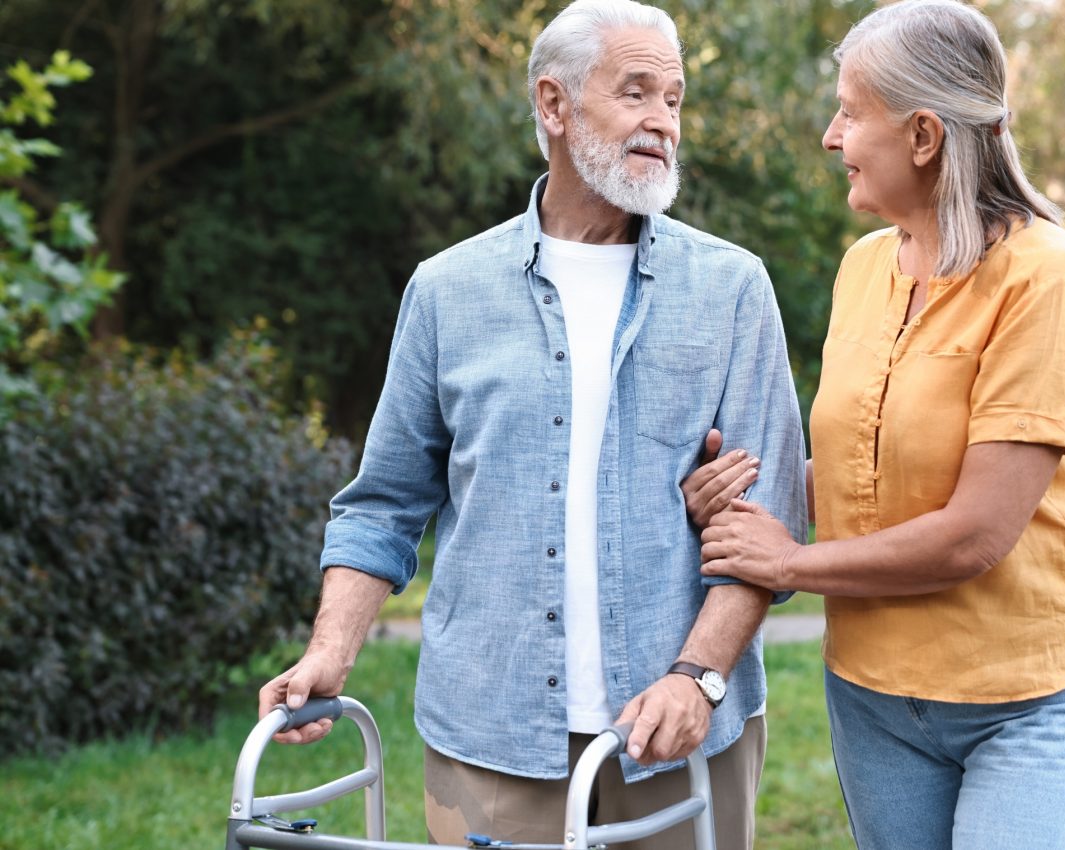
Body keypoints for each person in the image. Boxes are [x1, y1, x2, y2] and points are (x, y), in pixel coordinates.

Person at [257, 2, 807, 847]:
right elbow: (385, 503)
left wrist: (698, 679)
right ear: (554, 106)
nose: (663, 120)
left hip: (677, 730)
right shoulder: (448, 290)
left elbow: (775, 521)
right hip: (491, 733)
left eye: (675, 98)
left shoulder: (732, 288)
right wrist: (331, 650)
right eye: (636, 92)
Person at [684, 2, 1065, 848]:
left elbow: (974, 534)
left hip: (1025, 696)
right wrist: (751, 493)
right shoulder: (864, 269)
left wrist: (789, 561)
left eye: (851, 113)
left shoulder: (1047, 279)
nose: (830, 135)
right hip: (874, 693)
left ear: (924, 135)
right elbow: (873, 472)